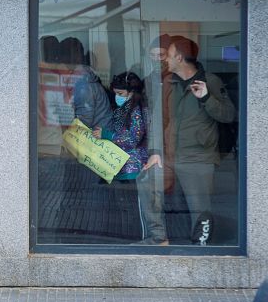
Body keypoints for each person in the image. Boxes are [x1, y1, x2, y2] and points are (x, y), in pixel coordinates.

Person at [142, 35, 236, 245]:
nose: (165, 59)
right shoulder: (168, 81)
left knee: (200, 207)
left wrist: (205, 97)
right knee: (148, 185)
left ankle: (201, 247)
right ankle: (159, 239)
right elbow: (158, 119)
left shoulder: (210, 81)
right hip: (169, 154)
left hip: (198, 156)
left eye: (170, 55)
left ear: (180, 57)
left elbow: (228, 115)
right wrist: (155, 150)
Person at [93, 72, 166, 243]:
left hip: (135, 165)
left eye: (121, 94)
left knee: (140, 208)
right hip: (123, 165)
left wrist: (106, 134)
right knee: (130, 208)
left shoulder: (138, 109)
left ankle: (147, 239)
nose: (117, 97)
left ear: (132, 92)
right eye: (115, 93)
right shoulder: (125, 107)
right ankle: (136, 238)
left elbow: (133, 137)